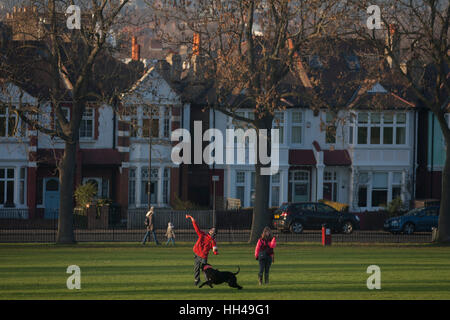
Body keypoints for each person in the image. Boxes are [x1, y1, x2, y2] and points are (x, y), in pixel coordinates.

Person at [185, 214, 218, 286]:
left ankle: (208, 281)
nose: (211, 230)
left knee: (205, 270)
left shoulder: (212, 241)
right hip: (197, 255)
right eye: (211, 229)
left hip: (203, 257)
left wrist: (215, 251)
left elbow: (215, 250)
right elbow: (196, 228)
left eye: (213, 230)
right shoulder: (203, 235)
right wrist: (192, 218)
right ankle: (197, 280)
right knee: (196, 268)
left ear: (214, 234)